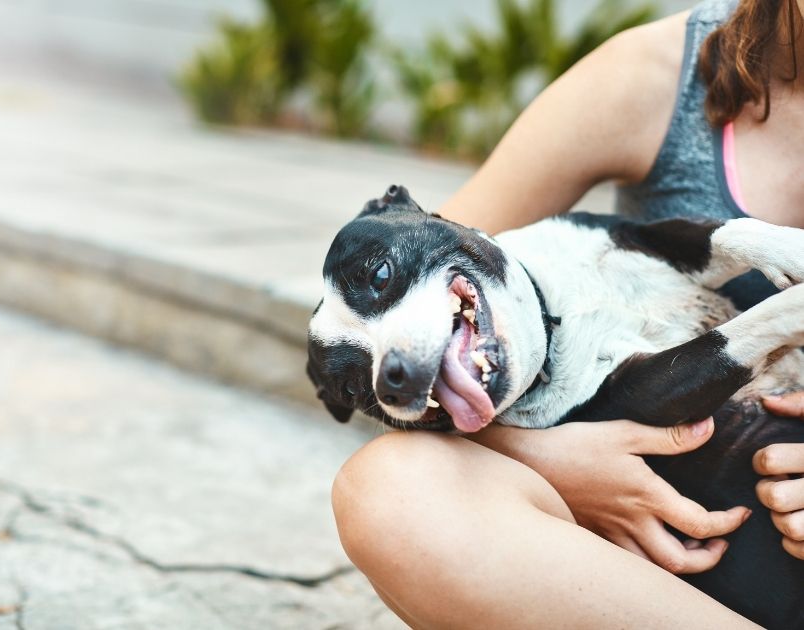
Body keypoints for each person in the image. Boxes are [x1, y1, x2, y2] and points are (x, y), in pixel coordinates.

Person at [331, 0, 804, 626]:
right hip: (663, 565)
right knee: (392, 495)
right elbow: (420, 316)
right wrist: (544, 456)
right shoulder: (658, 75)